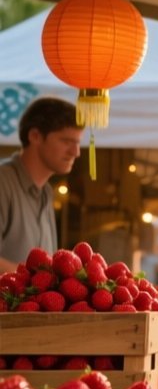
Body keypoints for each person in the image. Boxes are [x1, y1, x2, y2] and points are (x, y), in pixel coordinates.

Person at [0, 97, 82, 272]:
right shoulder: (3, 182)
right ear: (35, 136)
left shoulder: (46, 192)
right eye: (66, 141)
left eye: (78, 142)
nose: (76, 152)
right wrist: (36, 283)